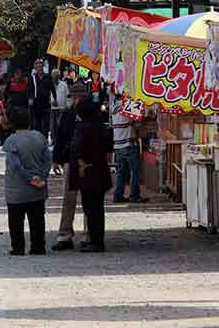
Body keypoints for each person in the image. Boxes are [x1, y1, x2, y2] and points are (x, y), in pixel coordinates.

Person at [3, 107, 51, 256]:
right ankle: (38, 246)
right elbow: (48, 159)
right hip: (38, 189)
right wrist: (41, 177)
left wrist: (29, 179)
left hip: (17, 189)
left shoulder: (11, 141)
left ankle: (18, 247)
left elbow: (16, 165)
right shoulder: (39, 136)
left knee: (16, 221)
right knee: (37, 219)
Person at [71, 99, 113, 252]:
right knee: (98, 208)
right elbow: (109, 147)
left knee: (90, 208)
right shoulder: (101, 127)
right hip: (100, 169)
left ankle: (95, 241)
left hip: (87, 171)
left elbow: (77, 147)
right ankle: (97, 240)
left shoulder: (82, 128)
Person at [51, 81, 88, 251]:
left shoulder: (93, 114)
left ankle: (89, 235)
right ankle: (65, 234)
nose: (74, 100)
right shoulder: (67, 115)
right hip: (70, 160)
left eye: (75, 97)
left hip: (89, 162)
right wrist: (56, 159)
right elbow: (60, 138)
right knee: (69, 199)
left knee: (89, 199)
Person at [111, 96, 148, 204]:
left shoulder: (113, 107)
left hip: (118, 145)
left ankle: (118, 195)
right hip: (129, 143)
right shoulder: (127, 106)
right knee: (134, 171)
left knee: (121, 172)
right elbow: (137, 123)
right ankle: (134, 196)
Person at [27, 59, 53, 138]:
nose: (39, 68)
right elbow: (29, 89)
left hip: (45, 101)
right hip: (36, 102)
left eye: (41, 66)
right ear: (35, 67)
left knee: (46, 121)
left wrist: (54, 98)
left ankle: (45, 136)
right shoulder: (32, 78)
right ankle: (38, 137)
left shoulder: (47, 77)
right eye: (37, 66)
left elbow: (52, 88)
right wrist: (30, 98)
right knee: (37, 121)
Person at [50, 69, 69, 146]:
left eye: (57, 75)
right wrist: (51, 101)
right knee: (52, 126)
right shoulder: (49, 84)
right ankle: (54, 140)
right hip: (51, 108)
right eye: (54, 75)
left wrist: (66, 107)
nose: (55, 77)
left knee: (60, 126)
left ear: (59, 76)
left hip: (62, 109)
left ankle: (60, 141)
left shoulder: (64, 85)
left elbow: (68, 97)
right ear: (52, 76)